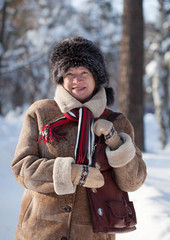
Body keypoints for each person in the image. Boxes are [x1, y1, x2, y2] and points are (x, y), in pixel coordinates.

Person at [11, 36, 147, 240]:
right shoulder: (40, 113)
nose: (77, 80)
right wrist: (72, 173)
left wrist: (115, 142)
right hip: (41, 231)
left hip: (92, 233)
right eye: (70, 73)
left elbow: (133, 182)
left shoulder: (117, 122)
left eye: (84, 72)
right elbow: (22, 168)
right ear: (61, 79)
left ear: (96, 77)